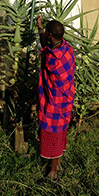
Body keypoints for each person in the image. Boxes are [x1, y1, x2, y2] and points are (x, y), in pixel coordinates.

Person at [36, 15, 75, 180]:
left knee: (53, 134)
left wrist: (40, 29)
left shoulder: (52, 58)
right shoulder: (66, 48)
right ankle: (57, 163)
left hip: (54, 102)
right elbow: (46, 44)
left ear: (50, 35)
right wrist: (39, 26)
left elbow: (45, 48)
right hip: (65, 100)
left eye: (46, 32)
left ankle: (53, 171)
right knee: (60, 132)